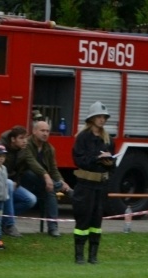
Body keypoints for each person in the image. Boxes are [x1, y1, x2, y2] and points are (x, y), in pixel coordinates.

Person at [71, 101, 115, 264]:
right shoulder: (82, 138)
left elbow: (113, 164)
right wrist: (97, 159)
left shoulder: (108, 139)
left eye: (104, 117)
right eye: (99, 116)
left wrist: (110, 163)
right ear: (92, 118)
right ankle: (79, 256)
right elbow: (79, 160)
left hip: (101, 186)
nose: (102, 119)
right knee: (83, 219)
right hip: (85, 185)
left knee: (97, 221)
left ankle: (93, 256)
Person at [22, 120, 73, 237]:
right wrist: (46, 176)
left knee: (50, 190)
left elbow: (54, 169)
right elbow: (31, 163)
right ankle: (64, 190)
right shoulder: (27, 144)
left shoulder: (49, 148)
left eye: (47, 131)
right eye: (42, 130)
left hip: (42, 183)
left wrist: (62, 181)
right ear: (34, 131)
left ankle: (52, 227)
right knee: (31, 174)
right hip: (24, 180)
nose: (45, 133)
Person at [0, 125, 38, 235]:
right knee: (9, 184)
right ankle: (9, 225)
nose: (25, 141)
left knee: (31, 199)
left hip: (12, 183)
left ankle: (4, 219)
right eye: (21, 138)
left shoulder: (23, 150)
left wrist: (17, 180)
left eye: (26, 138)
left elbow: (21, 170)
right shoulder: (1, 148)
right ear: (13, 139)